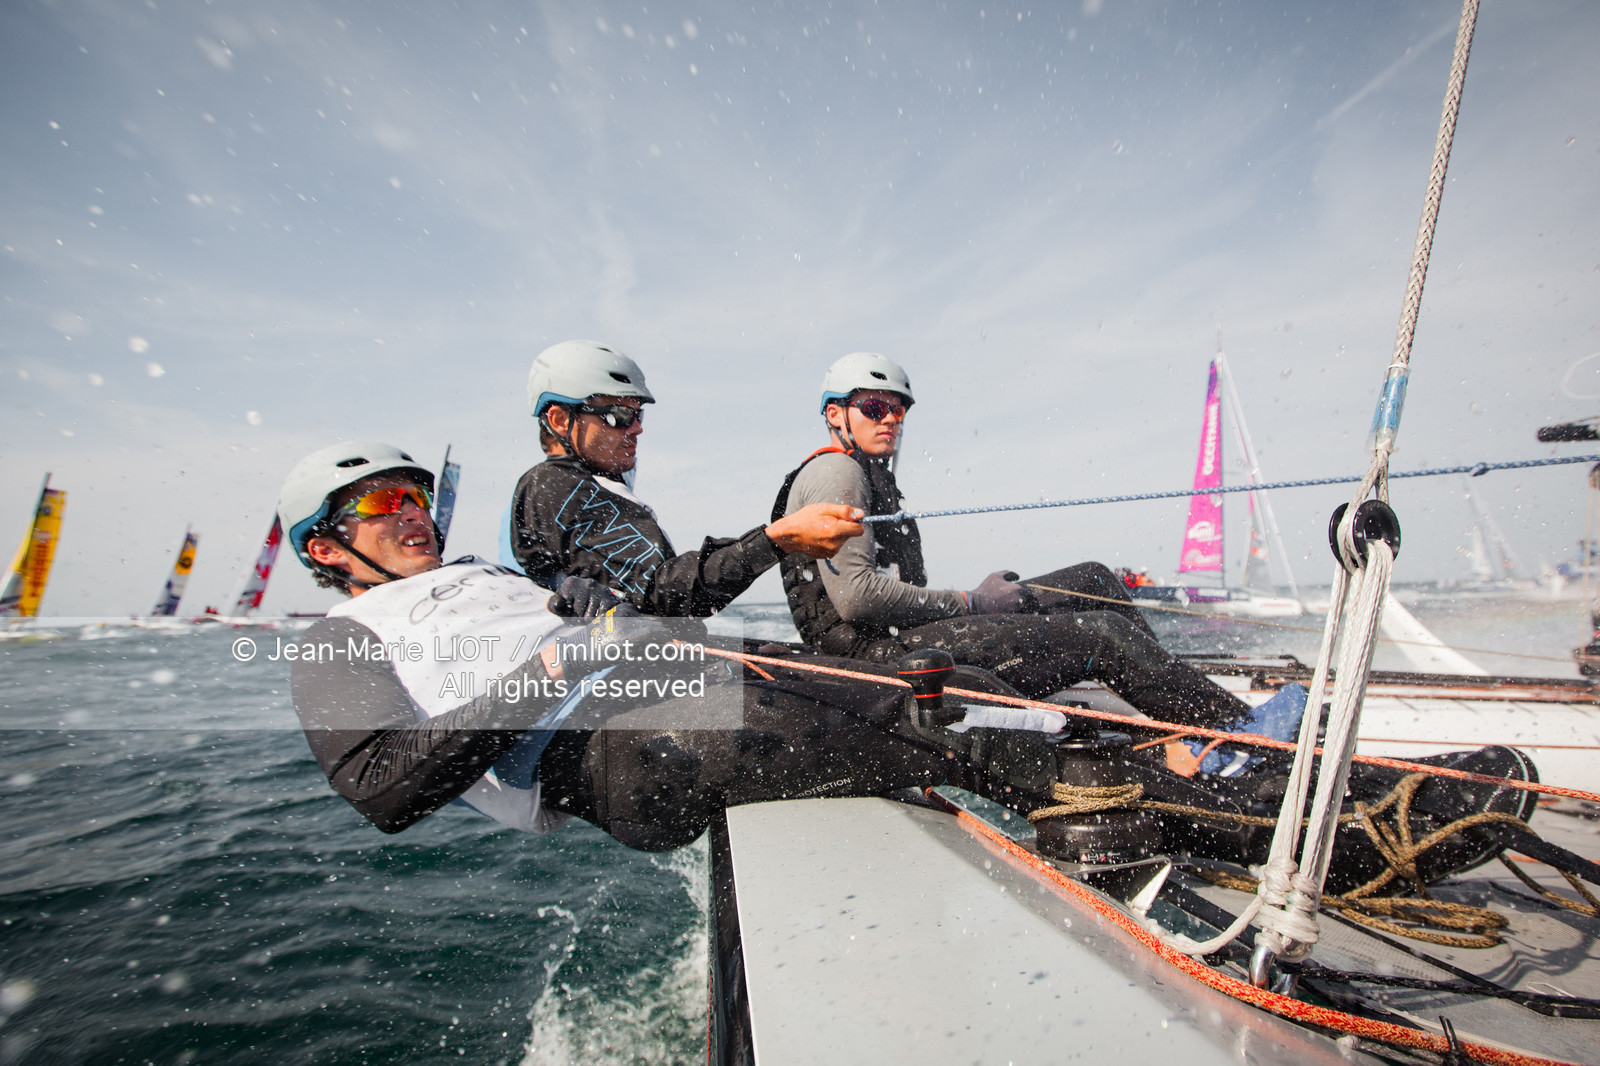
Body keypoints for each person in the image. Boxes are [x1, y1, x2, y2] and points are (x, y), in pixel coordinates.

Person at [277, 440, 1543, 898]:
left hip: (698, 684)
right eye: (378, 505)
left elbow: (655, 599)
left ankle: (1254, 780)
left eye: (410, 494)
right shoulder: (337, 635)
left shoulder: (487, 581)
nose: (409, 514)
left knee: (1020, 676)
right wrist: (551, 659)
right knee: (954, 742)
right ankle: (1313, 844)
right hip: (620, 753)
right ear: (328, 547)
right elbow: (385, 790)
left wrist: (758, 548)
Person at [772, 352, 1294, 766]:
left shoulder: (873, 477)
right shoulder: (836, 474)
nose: (891, 419)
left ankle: (1179, 712)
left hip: (895, 639)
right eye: (875, 407)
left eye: (898, 409)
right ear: (835, 413)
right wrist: (974, 601)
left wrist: (978, 604)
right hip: (876, 663)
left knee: (1093, 580)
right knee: (1099, 632)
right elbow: (859, 599)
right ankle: (1240, 744)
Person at [507, 339, 862, 617]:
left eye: (637, 414)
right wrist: (777, 539)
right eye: (617, 416)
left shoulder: (580, 489)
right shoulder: (555, 485)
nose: (636, 429)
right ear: (557, 420)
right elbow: (663, 593)